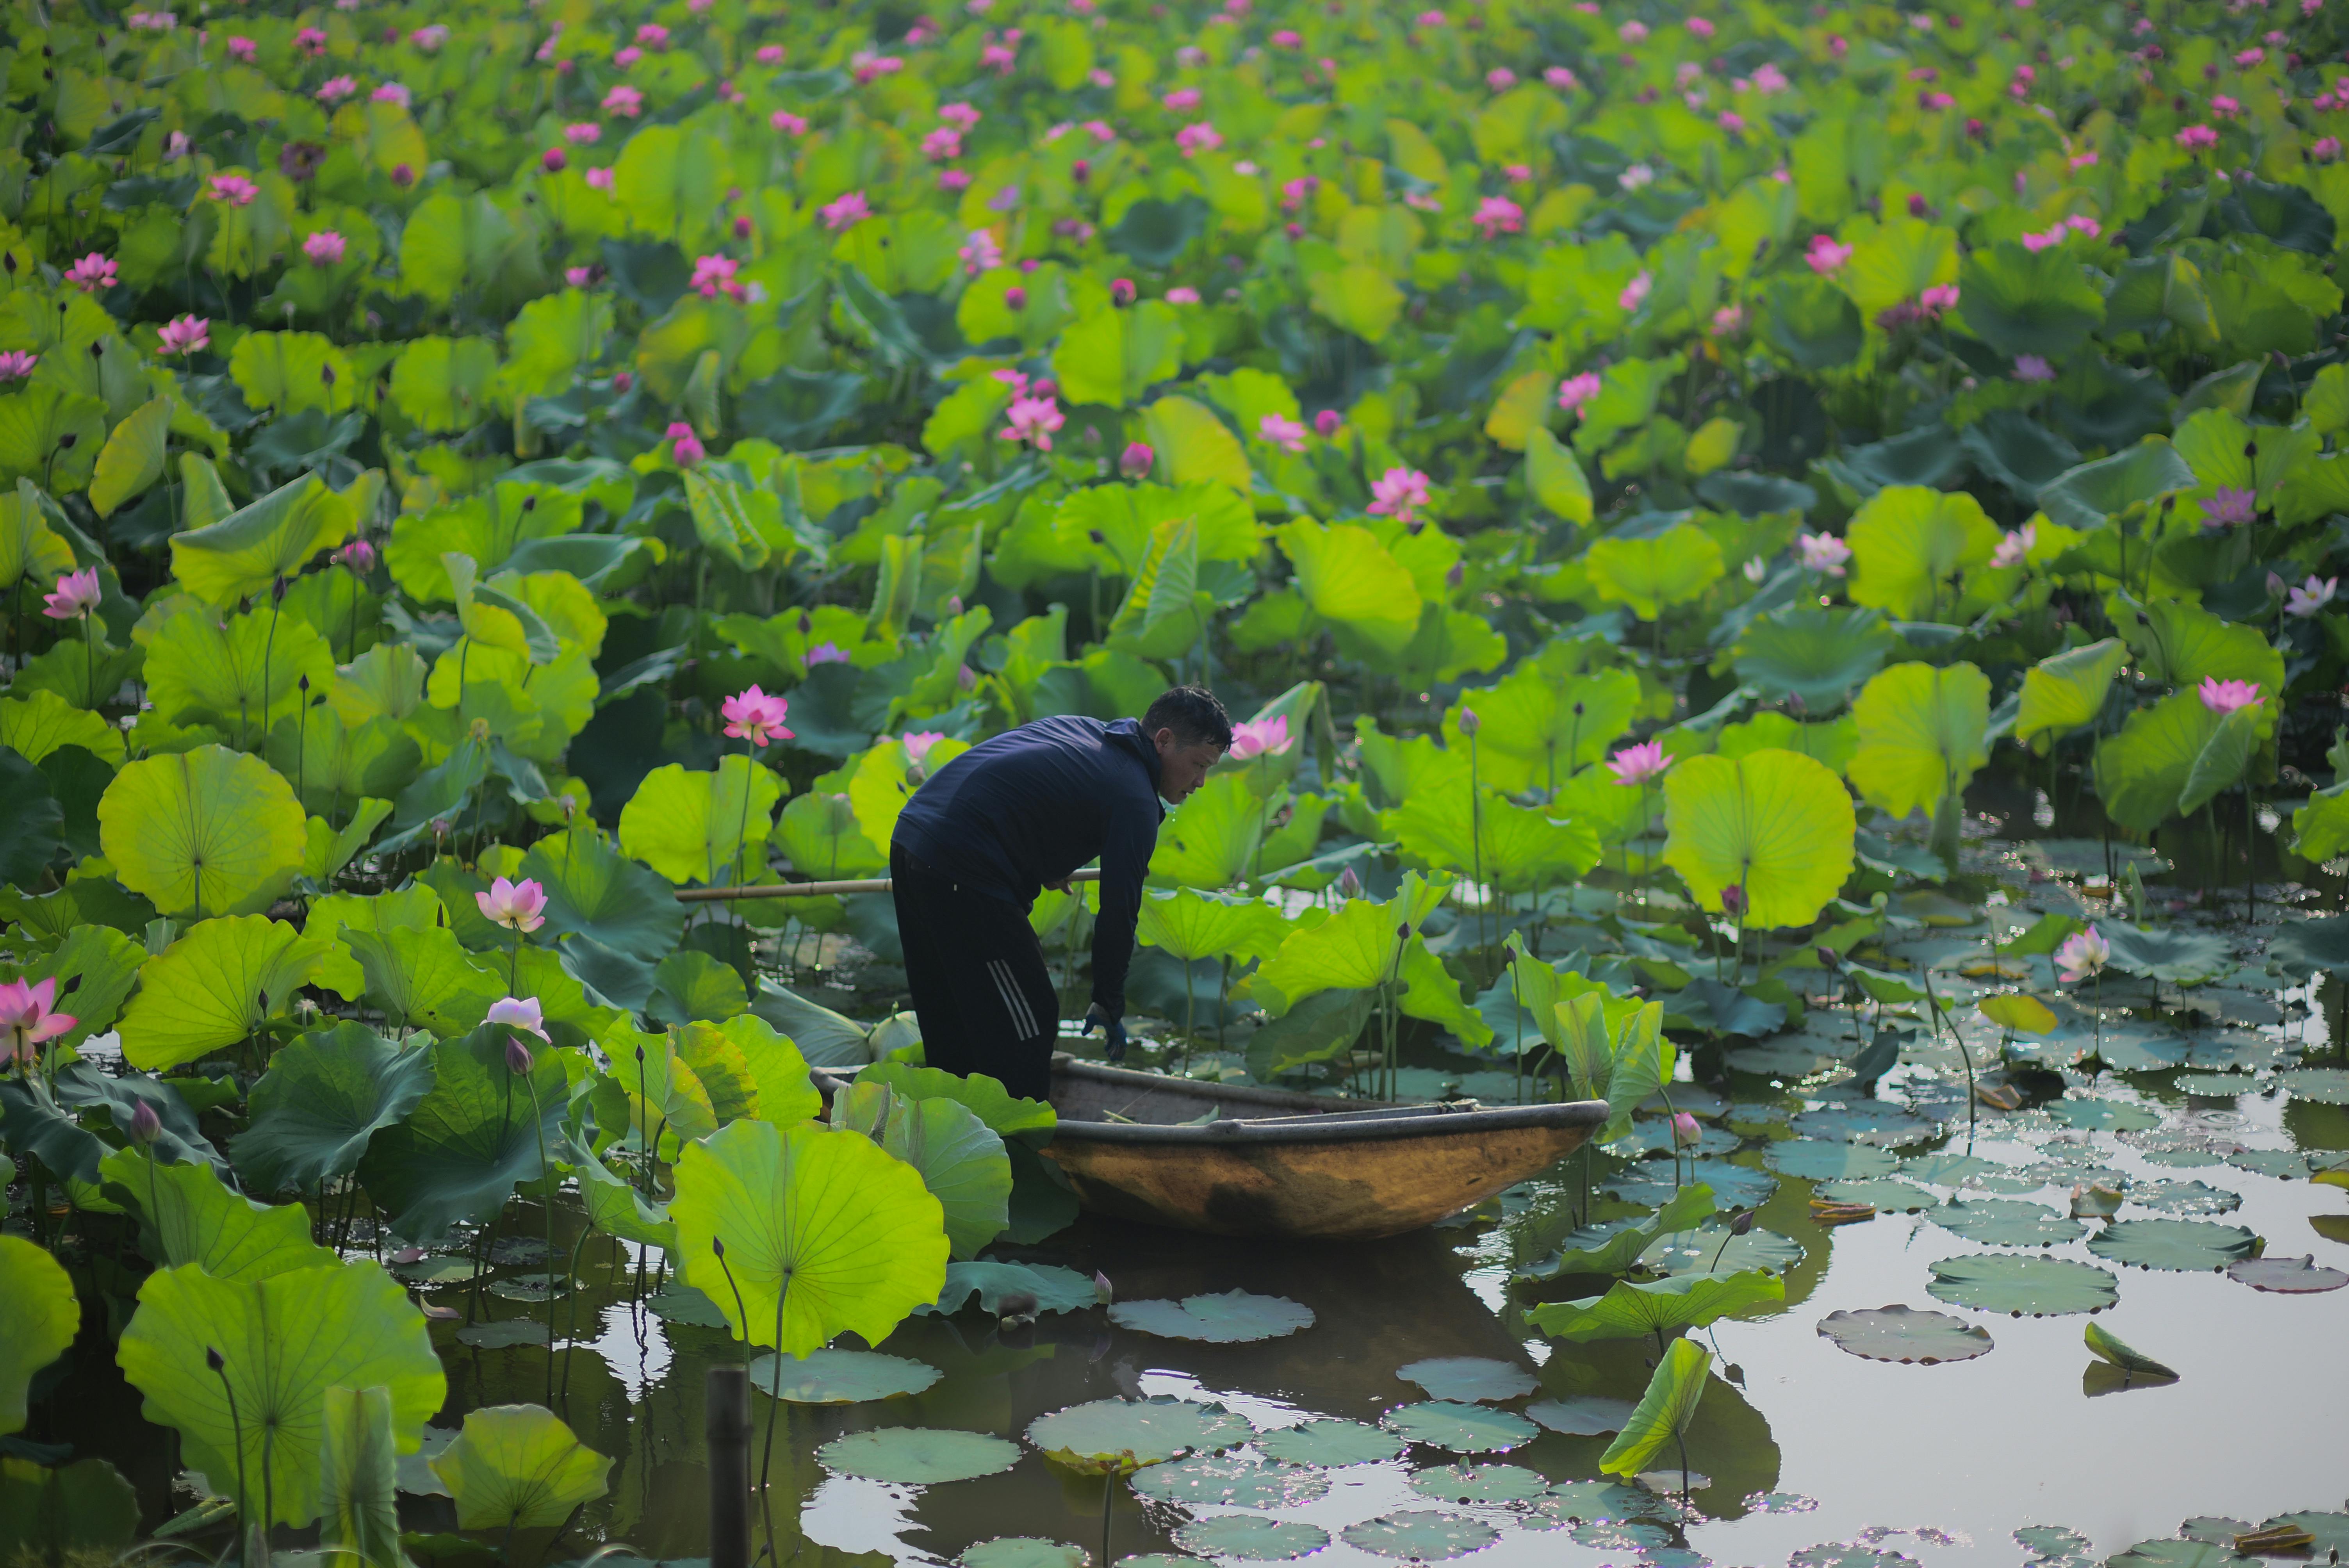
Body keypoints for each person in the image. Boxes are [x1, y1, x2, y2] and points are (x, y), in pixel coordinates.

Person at [888, 686, 1233, 1101]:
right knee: (1032, 1014)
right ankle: (1017, 1140)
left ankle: (950, 1126)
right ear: (1162, 740)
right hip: (961, 868)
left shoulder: (1082, 731)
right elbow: (1119, 910)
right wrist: (1107, 1000)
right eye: (1198, 765)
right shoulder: (1136, 798)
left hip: (911, 838)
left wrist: (1046, 865)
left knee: (950, 1010)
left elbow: (1021, 791)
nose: (1200, 782)